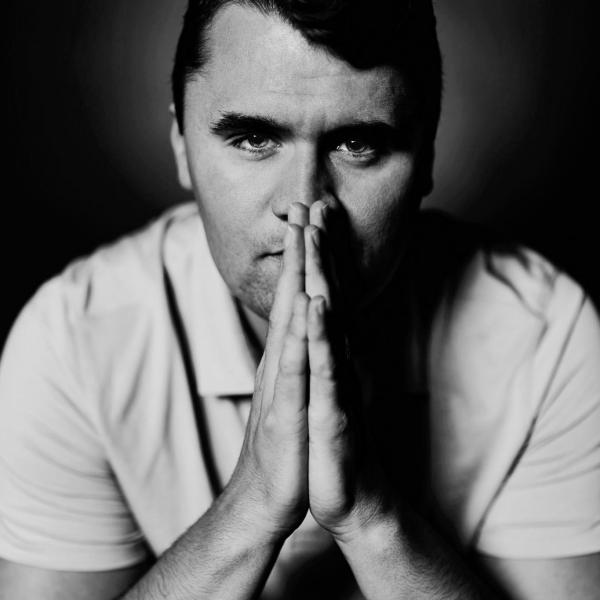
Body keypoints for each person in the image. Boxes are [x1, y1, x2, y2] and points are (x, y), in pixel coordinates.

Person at [1, 0, 599, 598]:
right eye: (254, 138)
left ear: (428, 154)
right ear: (181, 142)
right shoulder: (74, 341)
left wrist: (368, 515)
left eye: (357, 143)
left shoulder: (545, 337)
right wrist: (253, 506)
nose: (303, 203)